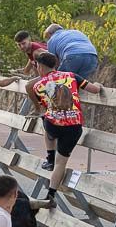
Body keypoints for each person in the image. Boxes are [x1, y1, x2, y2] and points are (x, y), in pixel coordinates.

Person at [27, 51, 103, 207]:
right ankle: (51, 194)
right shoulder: (71, 76)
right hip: (73, 126)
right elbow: (94, 90)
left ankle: (49, 156)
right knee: (61, 163)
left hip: (53, 126)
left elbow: (45, 105)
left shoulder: (37, 85)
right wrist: (99, 86)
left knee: (45, 119)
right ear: (56, 64)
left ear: (40, 66)